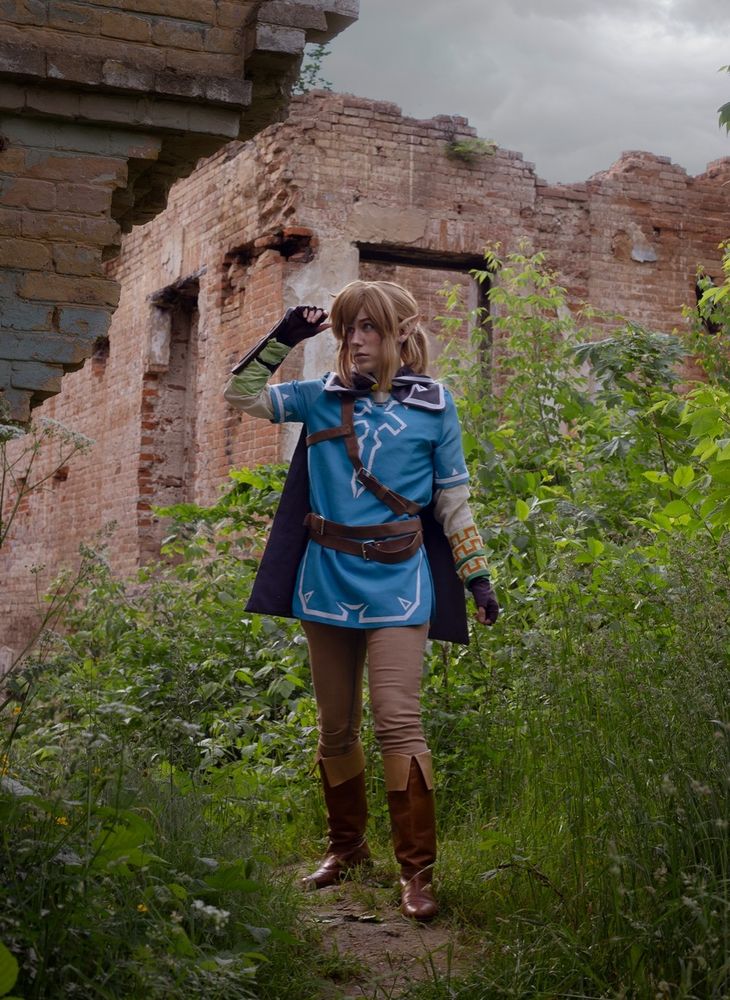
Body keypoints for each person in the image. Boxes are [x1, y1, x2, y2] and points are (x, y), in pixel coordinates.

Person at [224, 280, 498, 921]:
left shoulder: (436, 406)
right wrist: (284, 338)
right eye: (348, 328)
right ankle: (346, 849)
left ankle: (417, 874)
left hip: (400, 583)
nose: (355, 339)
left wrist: (477, 577)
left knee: (399, 723)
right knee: (336, 726)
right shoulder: (319, 397)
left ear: (400, 333)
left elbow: (453, 502)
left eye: (368, 327)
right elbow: (239, 395)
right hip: (324, 579)